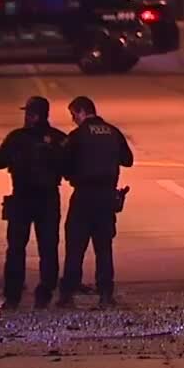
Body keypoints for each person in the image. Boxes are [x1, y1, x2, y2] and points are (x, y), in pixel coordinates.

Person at [57, 96, 133, 308]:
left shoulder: (77, 135)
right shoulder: (113, 132)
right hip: (106, 197)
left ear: (81, 112)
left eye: (74, 115)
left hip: (84, 196)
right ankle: (106, 294)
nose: (73, 120)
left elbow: (64, 165)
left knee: (75, 247)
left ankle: (67, 295)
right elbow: (128, 159)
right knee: (104, 248)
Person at [0, 96, 67, 310]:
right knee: (48, 247)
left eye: (28, 113)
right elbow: (70, 167)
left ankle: (13, 295)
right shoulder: (59, 138)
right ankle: (45, 291)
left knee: (16, 248)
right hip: (48, 199)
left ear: (34, 115)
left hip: (22, 198)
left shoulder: (17, 137)